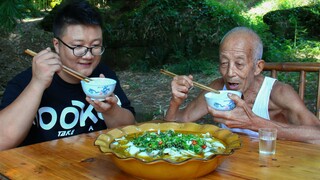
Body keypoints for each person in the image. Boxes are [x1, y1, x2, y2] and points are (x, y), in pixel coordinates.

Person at [0, 0, 135, 151]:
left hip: (93, 168)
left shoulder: (104, 78)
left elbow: (131, 131)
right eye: (78, 46)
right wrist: (37, 83)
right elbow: (2, 141)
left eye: (95, 46)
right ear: (57, 45)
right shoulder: (24, 82)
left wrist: (111, 110)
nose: (88, 55)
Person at [164, 26, 320, 144]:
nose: (230, 72)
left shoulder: (278, 93)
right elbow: (175, 123)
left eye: (239, 64)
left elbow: (317, 134)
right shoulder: (217, 89)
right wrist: (175, 102)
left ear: (258, 67)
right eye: (224, 63)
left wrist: (255, 123)